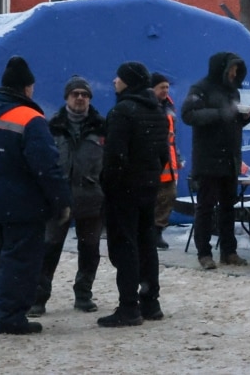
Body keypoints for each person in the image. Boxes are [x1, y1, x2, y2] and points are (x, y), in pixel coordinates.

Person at [0, 56, 71, 335]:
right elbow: (47, 166)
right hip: (23, 205)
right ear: (26, 88)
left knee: (1, 257)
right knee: (21, 261)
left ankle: (2, 311)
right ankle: (9, 318)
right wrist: (61, 201)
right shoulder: (30, 118)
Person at [98, 61, 170, 327]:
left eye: (119, 78)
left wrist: (109, 184)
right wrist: (149, 176)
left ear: (128, 81)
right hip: (148, 187)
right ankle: (150, 302)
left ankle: (128, 306)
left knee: (124, 245)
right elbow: (163, 154)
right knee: (146, 243)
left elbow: (115, 156)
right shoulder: (157, 111)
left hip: (124, 190)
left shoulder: (122, 111)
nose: (115, 81)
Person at [30, 75, 106, 318]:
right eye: (76, 94)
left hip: (92, 199)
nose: (80, 98)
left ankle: (83, 295)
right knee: (49, 248)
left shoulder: (102, 127)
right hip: (58, 200)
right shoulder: (51, 126)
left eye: (85, 94)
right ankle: (38, 299)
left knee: (90, 249)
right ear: (67, 98)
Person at [182, 52, 250, 270]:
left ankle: (229, 252)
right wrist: (220, 113)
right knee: (205, 207)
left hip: (230, 158)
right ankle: (204, 253)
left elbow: (231, 120)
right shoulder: (200, 88)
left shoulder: (233, 92)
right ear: (221, 68)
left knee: (228, 208)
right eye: (232, 69)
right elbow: (189, 115)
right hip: (208, 158)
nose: (234, 73)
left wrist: (242, 119)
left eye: (236, 70)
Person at [150, 72, 183, 250]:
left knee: (168, 196)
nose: (165, 90)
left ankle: (157, 231)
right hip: (152, 160)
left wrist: (177, 157)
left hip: (168, 161)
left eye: (167, 87)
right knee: (151, 198)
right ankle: (148, 232)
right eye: (162, 87)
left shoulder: (169, 106)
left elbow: (172, 135)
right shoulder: (147, 106)